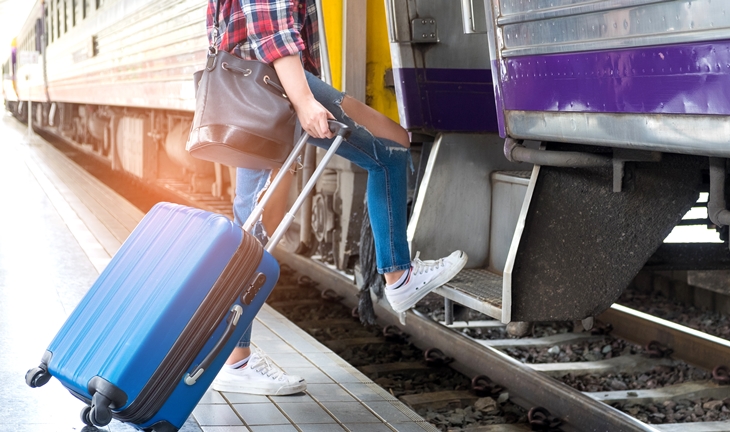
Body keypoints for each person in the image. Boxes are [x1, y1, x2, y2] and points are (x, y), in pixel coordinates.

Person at [208, 0, 468, 395]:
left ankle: (235, 359)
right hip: (274, 82)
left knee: (252, 223)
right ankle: (398, 277)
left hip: (257, 85)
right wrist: (304, 101)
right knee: (387, 156)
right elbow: (273, 28)